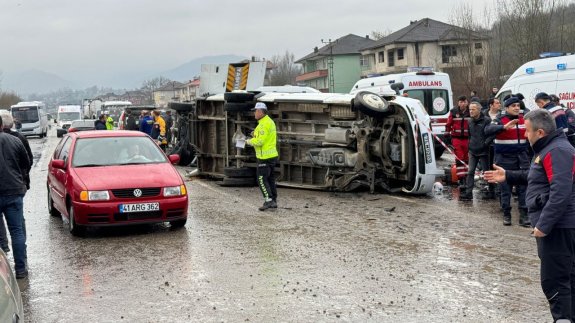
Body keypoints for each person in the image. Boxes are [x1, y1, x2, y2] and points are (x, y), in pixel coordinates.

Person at [484, 109, 575, 322]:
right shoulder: (549, 149)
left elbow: (560, 192)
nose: (525, 135)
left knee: (556, 282)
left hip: (558, 229)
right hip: (559, 227)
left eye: (527, 131)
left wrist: (543, 226)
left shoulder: (557, 151)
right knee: (565, 280)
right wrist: (508, 175)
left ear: (540, 132)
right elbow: (537, 177)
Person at [485, 96, 530, 226]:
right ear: (507, 108)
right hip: (504, 159)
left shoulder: (524, 119)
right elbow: (487, 130)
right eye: (513, 106)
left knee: (523, 188)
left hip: (521, 158)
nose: (517, 108)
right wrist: (504, 127)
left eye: (518, 105)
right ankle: (506, 214)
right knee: (505, 189)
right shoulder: (499, 119)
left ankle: (524, 215)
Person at [0, 115, 30, 279]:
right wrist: (21, 179)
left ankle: (2, 274)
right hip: (14, 191)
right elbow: (26, 163)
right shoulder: (15, 140)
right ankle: (20, 269)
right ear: (2, 125)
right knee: (17, 232)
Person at [246, 102, 278, 211]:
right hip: (272, 155)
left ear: (260, 111)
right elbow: (265, 137)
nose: (254, 113)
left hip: (264, 157)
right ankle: (273, 200)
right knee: (270, 179)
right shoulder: (268, 122)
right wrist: (255, 134)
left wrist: (248, 141)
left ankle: (268, 200)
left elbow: (260, 141)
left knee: (261, 179)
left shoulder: (263, 125)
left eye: (255, 111)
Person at [461, 102, 494, 200]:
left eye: (473, 109)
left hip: (484, 151)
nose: (470, 111)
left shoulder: (487, 120)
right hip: (472, 151)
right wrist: (469, 145)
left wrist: (485, 143)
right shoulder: (469, 121)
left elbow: (492, 134)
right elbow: (470, 135)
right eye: (470, 109)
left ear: (479, 110)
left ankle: (491, 191)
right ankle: (468, 192)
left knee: (486, 172)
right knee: (470, 171)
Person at [445, 95, 471, 186]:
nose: (463, 104)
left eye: (464, 102)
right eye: (461, 102)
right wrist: (447, 135)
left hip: (468, 138)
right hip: (457, 139)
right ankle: (461, 178)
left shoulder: (470, 111)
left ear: (467, 102)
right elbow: (448, 124)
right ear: (458, 103)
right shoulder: (453, 112)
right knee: (460, 158)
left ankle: (468, 177)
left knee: (467, 158)